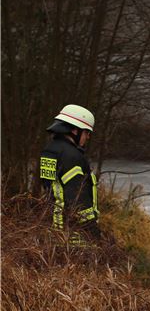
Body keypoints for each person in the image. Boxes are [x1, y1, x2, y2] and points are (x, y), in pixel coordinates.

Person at [39, 104, 99, 245]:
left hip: (52, 229)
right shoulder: (72, 156)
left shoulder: (49, 150)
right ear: (74, 130)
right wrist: (92, 230)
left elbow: (52, 190)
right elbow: (77, 196)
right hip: (74, 234)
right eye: (86, 132)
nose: (88, 137)